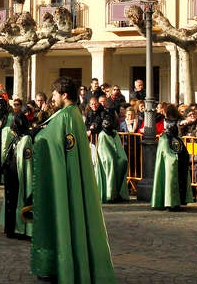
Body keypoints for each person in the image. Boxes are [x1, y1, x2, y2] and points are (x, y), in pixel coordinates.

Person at [29, 77, 115, 282]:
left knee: (62, 217)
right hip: (62, 177)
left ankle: (64, 265)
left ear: (64, 95)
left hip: (64, 180)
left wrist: (37, 135)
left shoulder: (67, 116)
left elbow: (54, 142)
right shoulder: (68, 114)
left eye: (55, 93)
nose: (53, 97)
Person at [151, 103, 192, 210]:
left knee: (174, 172)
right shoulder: (163, 119)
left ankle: (173, 201)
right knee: (170, 171)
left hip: (174, 144)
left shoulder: (177, 121)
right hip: (168, 144)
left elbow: (182, 123)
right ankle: (170, 201)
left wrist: (187, 121)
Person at [1, 113, 32, 239]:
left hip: (19, 176)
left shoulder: (26, 139)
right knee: (10, 201)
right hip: (11, 174)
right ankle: (10, 227)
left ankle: (19, 228)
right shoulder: (16, 138)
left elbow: (26, 161)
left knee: (17, 200)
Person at [95, 109, 129, 203]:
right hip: (106, 159)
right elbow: (103, 151)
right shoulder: (102, 135)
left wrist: (121, 157)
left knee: (123, 161)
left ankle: (120, 193)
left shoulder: (114, 133)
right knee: (111, 164)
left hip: (116, 156)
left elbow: (119, 148)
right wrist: (112, 159)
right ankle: (110, 195)